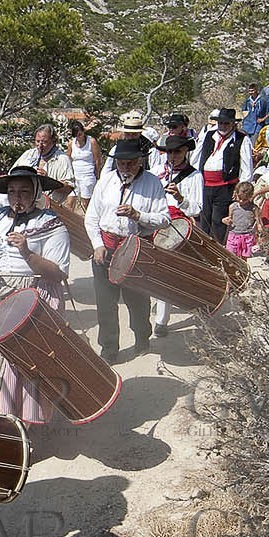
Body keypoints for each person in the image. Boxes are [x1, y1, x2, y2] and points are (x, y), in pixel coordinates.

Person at [0, 166, 71, 423]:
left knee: (20, 367)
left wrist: (27, 253)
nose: (17, 198)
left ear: (35, 193)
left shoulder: (51, 224)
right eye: (12, 192)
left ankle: (21, 423)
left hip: (31, 298)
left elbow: (58, 273)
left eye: (24, 192)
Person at [84, 139, 168, 362]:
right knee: (105, 303)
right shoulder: (106, 181)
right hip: (107, 248)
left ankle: (142, 339)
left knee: (138, 301)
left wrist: (138, 216)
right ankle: (109, 349)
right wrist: (97, 245)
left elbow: (164, 219)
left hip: (137, 250)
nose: (125, 168)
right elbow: (92, 217)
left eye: (130, 163)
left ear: (140, 161)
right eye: (121, 164)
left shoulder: (152, 183)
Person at [152, 134, 203, 338]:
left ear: (186, 152)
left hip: (181, 229)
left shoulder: (194, 176)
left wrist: (180, 198)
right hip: (157, 225)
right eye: (170, 152)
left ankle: (164, 318)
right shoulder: (156, 173)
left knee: (173, 273)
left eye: (178, 152)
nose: (173, 156)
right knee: (159, 273)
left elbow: (197, 208)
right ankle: (162, 316)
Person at [195, 107, 253, 243]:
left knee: (218, 220)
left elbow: (246, 166)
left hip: (225, 186)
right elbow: (197, 157)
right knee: (204, 218)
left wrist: (241, 189)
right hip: (205, 185)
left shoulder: (241, 140)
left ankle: (216, 250)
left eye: (226, 123)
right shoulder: (209, 135)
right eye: (220, 123)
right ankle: (203, 248)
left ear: (233, 124)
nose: (222, 126)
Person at [14, 125, 76, 208]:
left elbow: (69, 188)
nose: (40, 145)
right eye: (37, 141)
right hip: (24, 205)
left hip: (49, 208)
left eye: (44, 142)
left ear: (53, 141)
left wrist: (48, 180)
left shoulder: (62, 159)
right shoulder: (28, 155)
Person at [64, 119, 102, 208]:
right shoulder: (71, 143)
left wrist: (97, 174)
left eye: (80, 134)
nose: (78, 137)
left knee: (86, 203)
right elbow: (67, 158)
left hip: (87, 175)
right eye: (76, 136)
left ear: (83, 131)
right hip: (75, 176)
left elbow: (97, 159)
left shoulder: (91, 142)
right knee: (70, 202)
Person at [226, 182, 259, 259]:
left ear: (250, 197)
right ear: (235, 193)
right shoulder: (232, 207)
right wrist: (226, 220)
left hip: (247, 235)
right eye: (239, 198)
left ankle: (243, 270)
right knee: (232, 256)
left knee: (245, 257)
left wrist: (259, 231)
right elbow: (229, 218)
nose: (241, 201)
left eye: (244, 200)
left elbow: (258, 221)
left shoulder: (253, 208)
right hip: (234, 235)